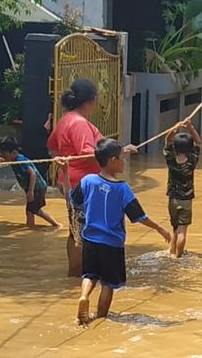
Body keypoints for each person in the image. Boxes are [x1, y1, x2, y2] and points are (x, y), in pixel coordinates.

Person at [62, 139, 170, 325]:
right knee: (108, 284)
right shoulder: (122, 189)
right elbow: (139, 217)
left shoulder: (87, 181)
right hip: (112, 244)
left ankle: (84, 296)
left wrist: (64, 171)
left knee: (89, 275)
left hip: (90, 241)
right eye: (122, 157)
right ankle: (100, 319)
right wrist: (160, 228)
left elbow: (70, 197)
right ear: (112, 160)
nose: (125, 161)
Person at [48, 79, 138, 277]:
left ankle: (74, 276)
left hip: (70, 181)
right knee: (84, 231)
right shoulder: (79, 123)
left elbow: (52, 145)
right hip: (85, 185)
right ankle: (84, 275)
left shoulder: (65, 119)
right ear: (89, 101)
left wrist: (63, 166)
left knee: (75, 230)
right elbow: (88, 152)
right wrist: (121, 150)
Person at [0, 137, 61, 228]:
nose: (4, 158)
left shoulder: (20, 160)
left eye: (5, 155)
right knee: (33, 210)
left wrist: (30, 191)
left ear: (13, 152)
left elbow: (32, 174)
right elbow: (1, 160)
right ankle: (46, 225)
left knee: (32, 210)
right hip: (34, 187)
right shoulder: (13, 159)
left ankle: (35, 228)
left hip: (37, 188)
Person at [163, 118, 202, 258]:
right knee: (182, 230)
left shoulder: (171, 159)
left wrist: (175, 128)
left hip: (172, 199)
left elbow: (167, 140)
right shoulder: (192, 159)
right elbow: (198, 142)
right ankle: (178, 257)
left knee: (175, 227)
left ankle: (172, 252)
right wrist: (190, 127)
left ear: (175, 147)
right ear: (190, 148)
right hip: (186, 200)